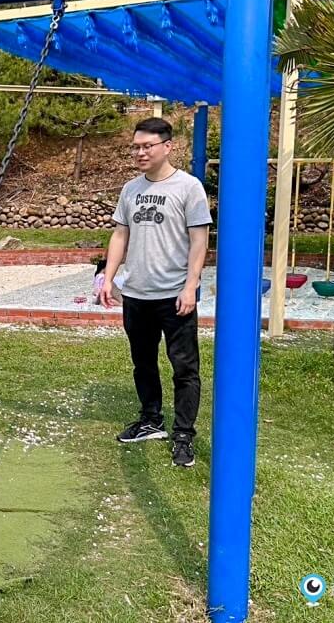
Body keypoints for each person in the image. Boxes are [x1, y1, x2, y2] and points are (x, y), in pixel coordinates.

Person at [98, 118, 211, 468]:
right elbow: (120, 235)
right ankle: (151, 420)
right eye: (136, 146)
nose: (140, 152)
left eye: (147, 146)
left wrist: (190, 285)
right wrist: (108, 277)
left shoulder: (188, 187)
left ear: (167, 146)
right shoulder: (130, 189)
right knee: (143, 362)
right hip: (137, 295)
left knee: (184, 368)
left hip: (174, 296)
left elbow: (199, 239)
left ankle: (183, 435)